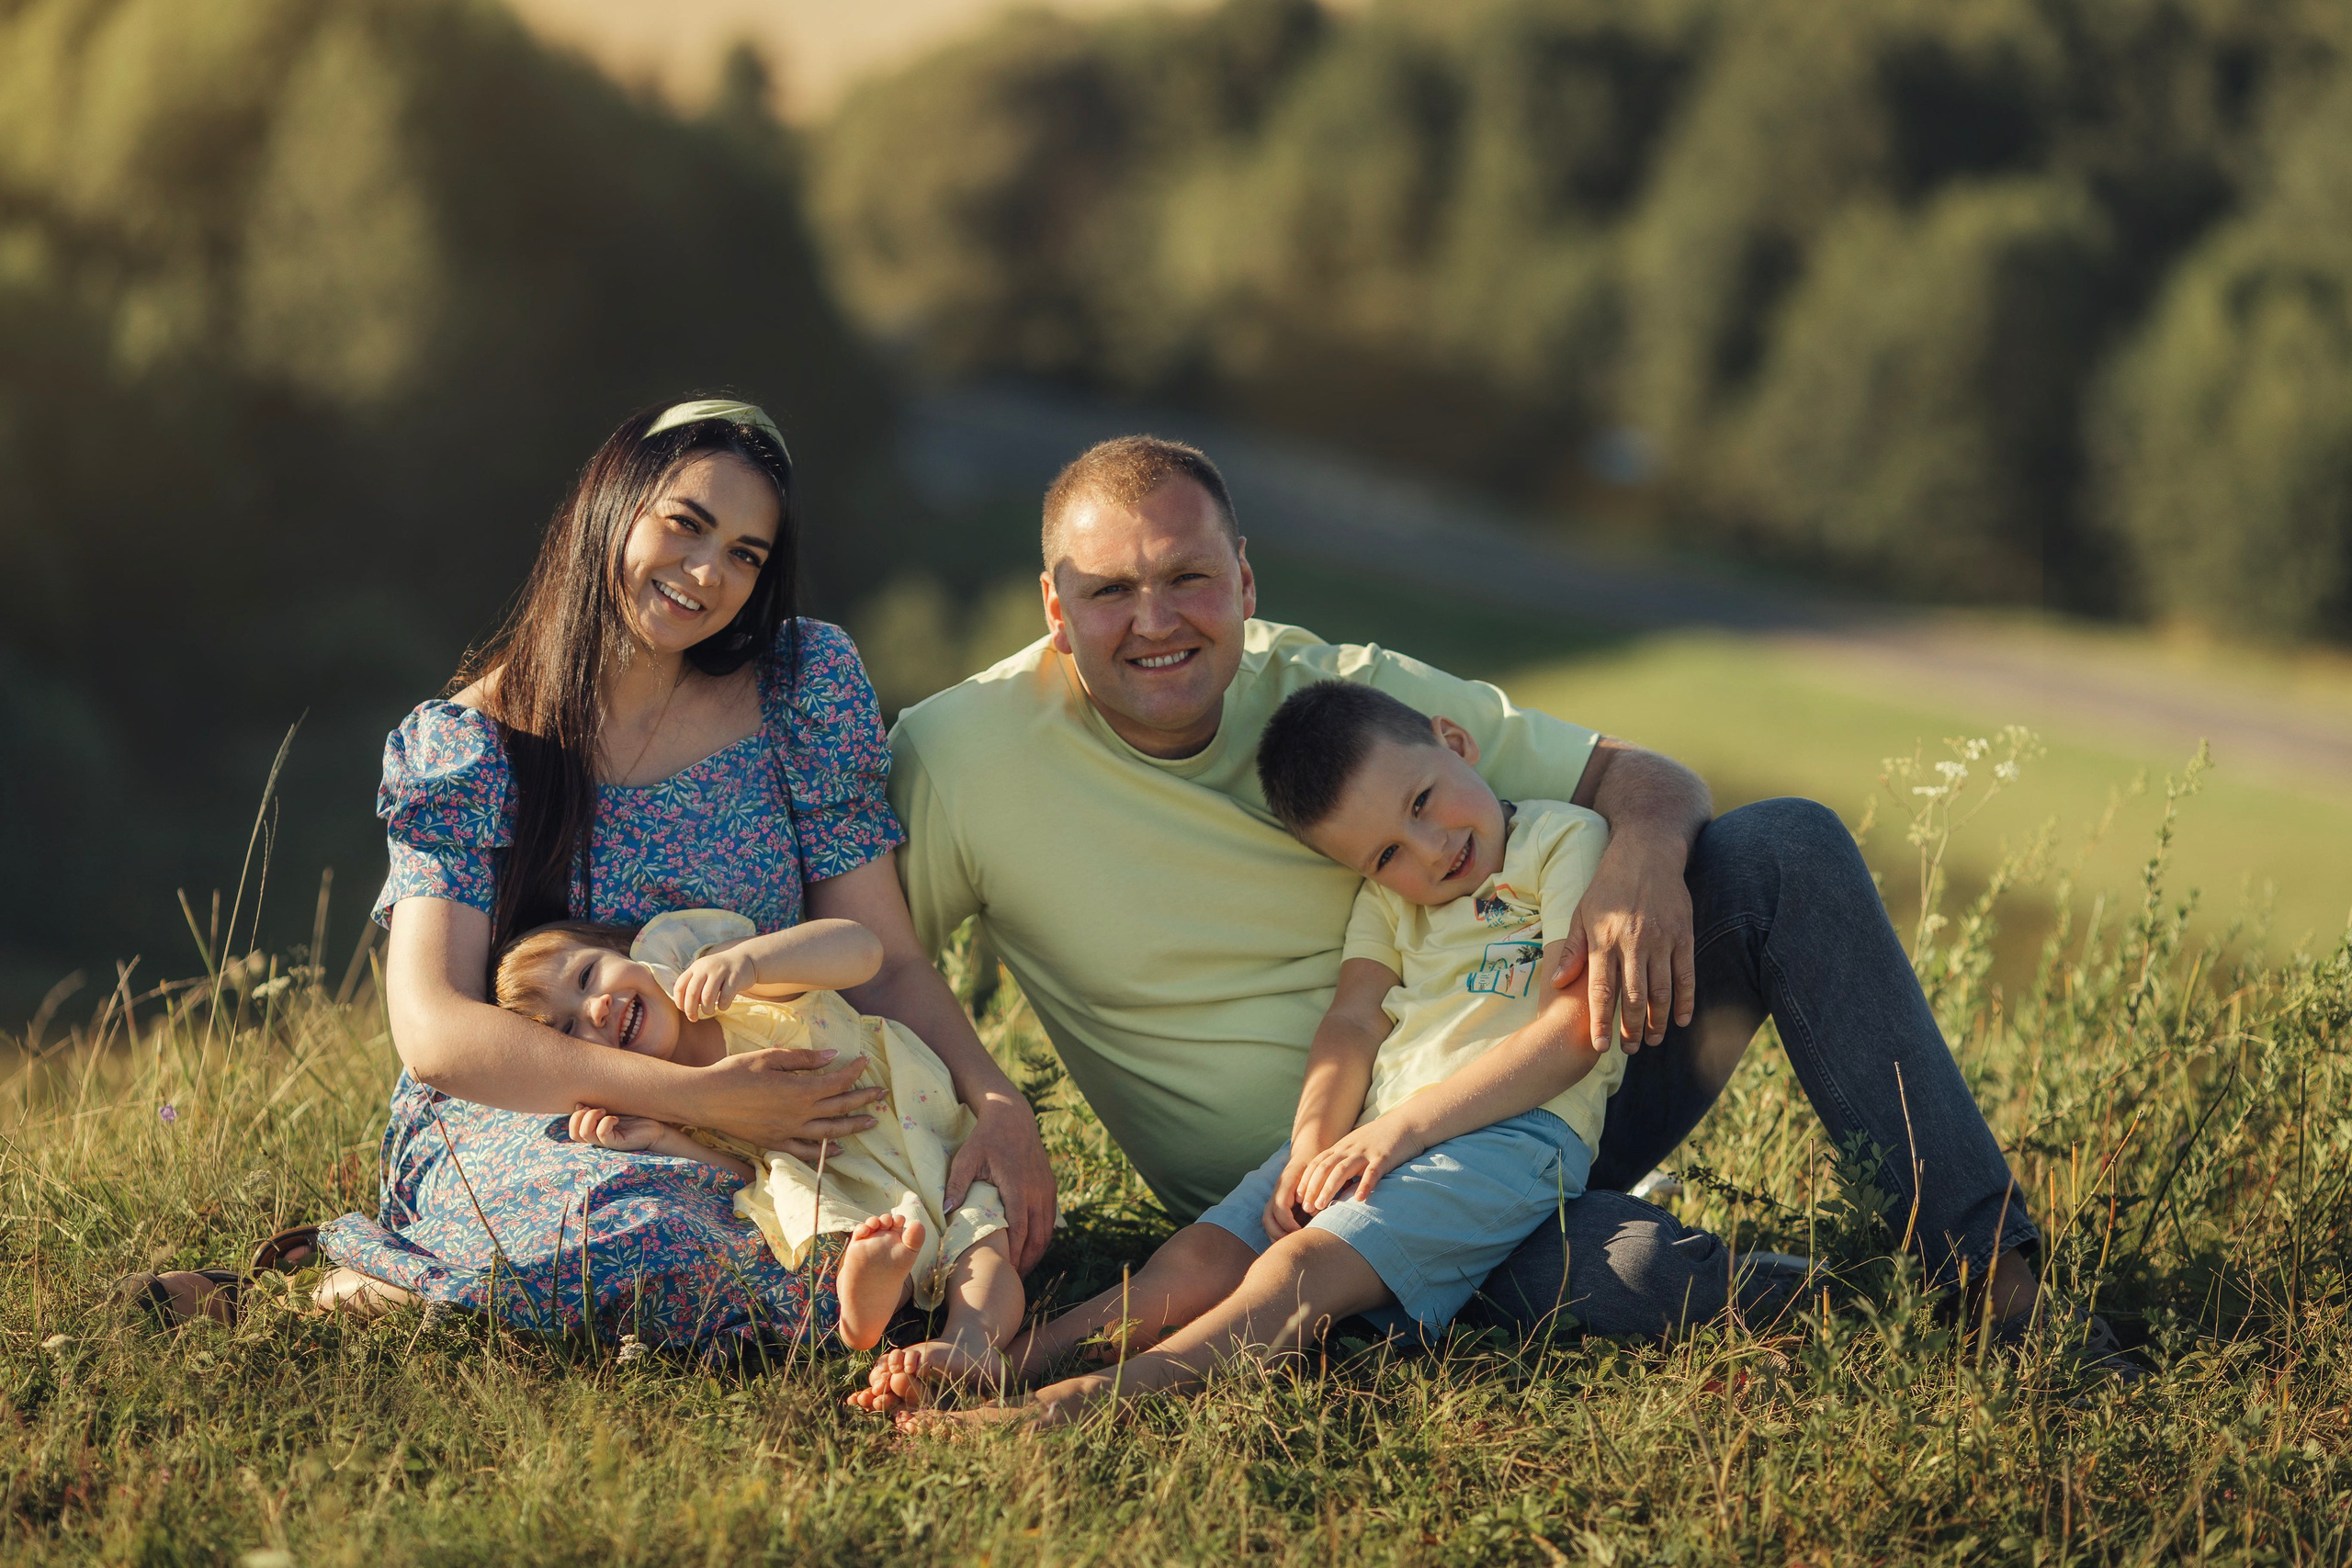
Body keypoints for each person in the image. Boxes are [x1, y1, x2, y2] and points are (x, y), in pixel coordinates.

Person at [888, 433, 2051, 1351]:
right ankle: (1835, 1308)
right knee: (1611, 1279)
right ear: (1053, 608)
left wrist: (1639, 865)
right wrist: (989, 1094)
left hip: (1545, 1079)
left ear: (1244, 578)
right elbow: (869, 959)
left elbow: (1639, 778)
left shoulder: (1342, 698)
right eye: (1108, 592)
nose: (1155, 621)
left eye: (1189, 577)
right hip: (1304, 1196)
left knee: (1784, 848)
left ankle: (2002, 1284)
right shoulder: (963, 757)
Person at [133, 397, 1056, 1352]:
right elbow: (434, 1031)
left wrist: (996, 1104)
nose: (708, 575)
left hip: (759, 1119)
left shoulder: (800, 689)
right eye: (685, 526)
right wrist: (696, 1101)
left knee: (835, 1231)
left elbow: (887, 964)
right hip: (543, 1107)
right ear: (608, 508)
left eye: (746, 554)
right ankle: (328, 1301)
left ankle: (417, 1299)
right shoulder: (474, 743)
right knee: (627, 1226)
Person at [989, 682, 1628, 1420]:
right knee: (1202, 1255)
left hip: (1513, 1132)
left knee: (1299, 1264)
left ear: (1455, 744)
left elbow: (1576, 1031)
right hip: (1372, 1133)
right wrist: (1311, 1143)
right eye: (1388, 851)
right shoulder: (1391, 901)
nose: (1430, 848)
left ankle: (1097, 1398)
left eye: (1422, 800)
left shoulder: (1562, 839)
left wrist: (1404, 1128)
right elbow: (1352, 1022)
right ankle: (1008, 1362)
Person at [491, 908, 1023, 1393]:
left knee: (982, 1243)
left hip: (921, 1126)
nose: (598, 1009)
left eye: (587, 977)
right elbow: (745, 1173)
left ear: (621, 949)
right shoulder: (666, 1098)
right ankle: (873, 1299)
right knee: (875, 1236)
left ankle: (971, 1340)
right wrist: (660, 1138)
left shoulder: (724, 986)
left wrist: (750, 961)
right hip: (844, 1179)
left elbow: (864, 949)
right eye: (569, 1030)